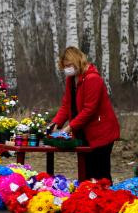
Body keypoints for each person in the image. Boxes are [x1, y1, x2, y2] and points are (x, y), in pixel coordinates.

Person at [49, 46, 120, 180]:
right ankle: (87, 197)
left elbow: (89, 110)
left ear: (77, 61)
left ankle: (105, 198)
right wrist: (55, 123)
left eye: (69, 65)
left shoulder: (93, 79)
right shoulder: (71, 80)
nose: (67, 69)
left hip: (100, 132)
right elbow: (67, 104)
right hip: (84, 133)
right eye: (65, 66)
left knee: (100, 173)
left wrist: (69, 127)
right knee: (86, 173)